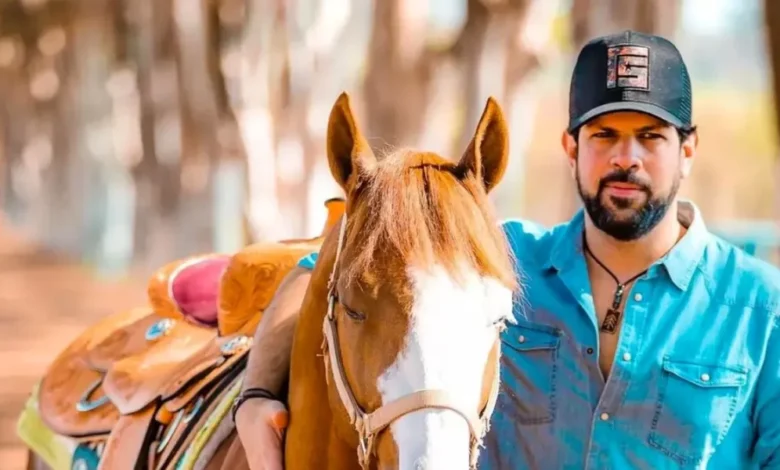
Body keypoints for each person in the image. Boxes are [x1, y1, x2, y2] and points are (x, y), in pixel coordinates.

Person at [233, 30, 780, 469]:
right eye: (604, 135)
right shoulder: (492, 261)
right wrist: (256, 396)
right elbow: (316, 272)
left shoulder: (763, 308)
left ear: (689, 150)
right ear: (571, 148)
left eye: (651, 136)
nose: (626, 158)